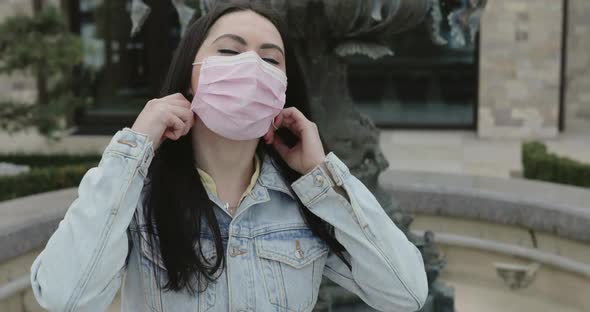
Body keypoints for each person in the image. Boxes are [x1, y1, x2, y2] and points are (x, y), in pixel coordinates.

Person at [30, 3, 428, 312]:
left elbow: (405, 293)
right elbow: (66, 297)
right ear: (192, 73)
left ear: (284, 88)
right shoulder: (139, 197)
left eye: (271, 59)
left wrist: (322, 175)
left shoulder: (307, 202)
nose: (252, 66)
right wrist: (133, 148)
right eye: (230, 50)